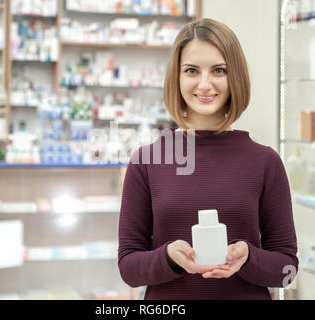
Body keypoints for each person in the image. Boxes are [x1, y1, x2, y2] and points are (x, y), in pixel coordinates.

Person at [118, 18, 298, 300]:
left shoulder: (265, 162)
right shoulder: (147, 162)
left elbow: (288, 269)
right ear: (176, 78)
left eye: (219, 70)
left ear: (235, 76)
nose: (205, 84)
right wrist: (169, 258)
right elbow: (129, 268)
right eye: (191, 70)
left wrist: (248, 258)